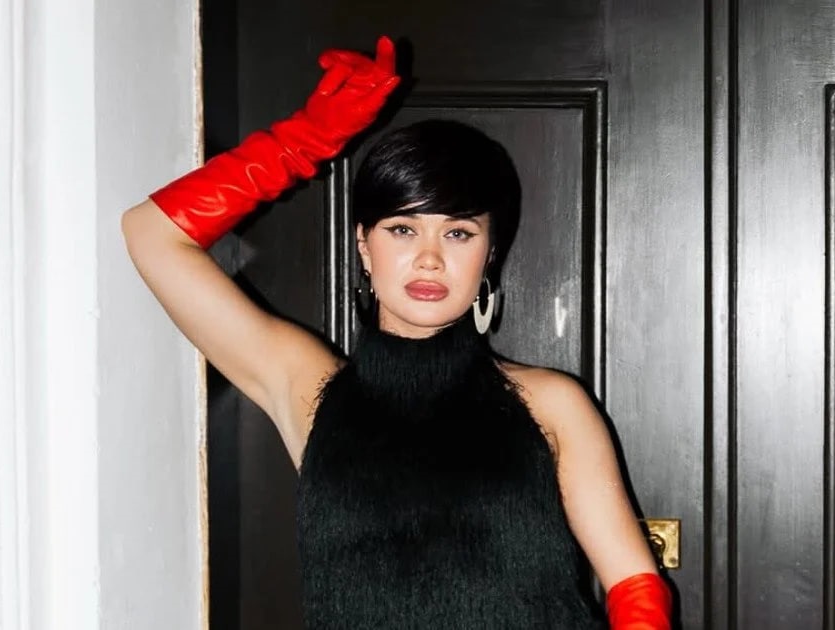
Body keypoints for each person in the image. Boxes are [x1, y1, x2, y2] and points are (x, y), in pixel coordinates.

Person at [122, 36, 673, 629]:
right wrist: (305, 139)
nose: (430, 258)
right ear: (364, 244)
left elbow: (635, 588)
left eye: (458, 233)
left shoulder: (552, 403)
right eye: (403, 230)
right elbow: (152, 234)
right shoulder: (308, 389)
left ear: (489, 253)